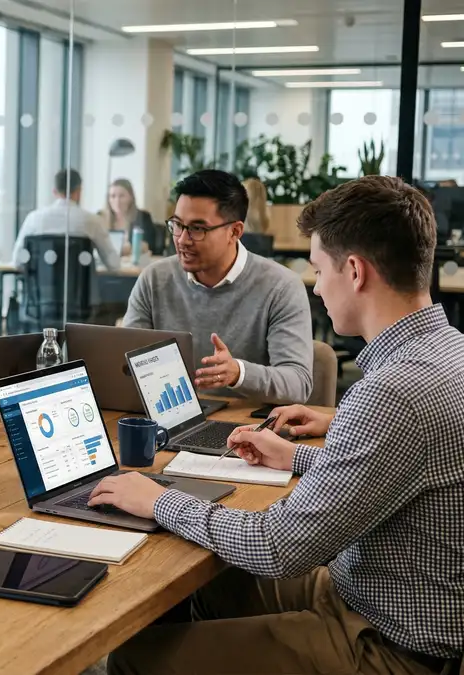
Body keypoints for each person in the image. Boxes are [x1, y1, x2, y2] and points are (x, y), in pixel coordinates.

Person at [90, 175, 464, 675]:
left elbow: (275, 545)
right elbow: (386, 469)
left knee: (136, 659)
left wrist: (158, 499)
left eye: (318, 269)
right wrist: (295, 456)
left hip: (387, 643)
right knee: (215, 580)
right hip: (372, 589)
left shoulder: (391, 390)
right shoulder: (447, 351)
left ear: (354, 271)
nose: (318, 287)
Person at [122, 169, 312, 403]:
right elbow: (125, 364)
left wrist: (238, 373)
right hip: (168, 416)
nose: (182, 239)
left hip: (245, 429)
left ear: (235, 231)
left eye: (197, 229)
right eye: (178, 225)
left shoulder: (281, 287)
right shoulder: (154, 280)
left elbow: (298, 384)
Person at [10, 169, 120, 272]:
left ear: (54, 191)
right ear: (79, 191)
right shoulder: (93, 221)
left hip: (39, 291)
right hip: (80, 291)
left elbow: (17, 261)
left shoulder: (33, 219)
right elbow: (114, 264)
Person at [103, 178, 160, 255]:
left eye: (122, 196)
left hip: (133, 265)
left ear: (130, 197)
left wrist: (125, 249)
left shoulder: (143, 217)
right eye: (113, 196)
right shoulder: (101, 218)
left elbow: (148, 246)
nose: (117, 201)